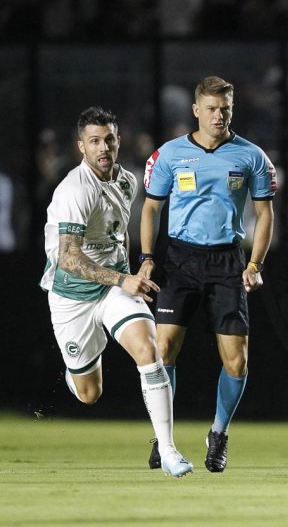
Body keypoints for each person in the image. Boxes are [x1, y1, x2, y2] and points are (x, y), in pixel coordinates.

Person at [39, 107, 193, 478]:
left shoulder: (126, 180)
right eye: (94, 141)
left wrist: (137, 266)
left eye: (108, 139)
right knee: (90, 393)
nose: (103, 147)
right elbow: (69, 258)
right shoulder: (75, 189)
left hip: (112, 290)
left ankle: (169, 451)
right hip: (72, 298)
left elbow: (117, 232)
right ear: (81, 147)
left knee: (149, 348)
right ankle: (75, 376)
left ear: (118, 141)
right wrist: (122, 279)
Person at [139, 76, 277, 473]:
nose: (219, 116)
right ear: (196, 110)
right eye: (212, 109)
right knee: (162, 352)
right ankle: (163, 439)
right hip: (179, 260)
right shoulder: (169, 154)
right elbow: (151, 208)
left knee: (237, 361)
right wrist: (148, 257)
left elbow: (264, 212)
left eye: (226, 109)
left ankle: (218, 434)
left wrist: (255, 264)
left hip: (227, 263)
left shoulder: (251, 156)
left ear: (232, 110)